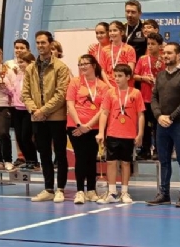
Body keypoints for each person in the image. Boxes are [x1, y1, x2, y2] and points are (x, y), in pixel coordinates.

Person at [21, 31, 71, 203]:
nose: (40, 46)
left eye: (43, 42)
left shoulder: (61, 68)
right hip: (37, 117)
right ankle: (48, 188)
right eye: (38, 43)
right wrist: (34, 110)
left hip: (56, 118)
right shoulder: (30, 68)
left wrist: (44, 110)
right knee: (44, 154)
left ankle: (60, 189)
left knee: (60, 153)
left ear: (51, 44)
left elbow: (61, 94)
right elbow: (25, 93)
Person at [148, 42, 180, 207]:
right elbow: (154, 98)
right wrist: (159, 115)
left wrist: (171, 117)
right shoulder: (160, 76)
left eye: (169, 53)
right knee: (164, 160)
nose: (165, 56)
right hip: (162, 123)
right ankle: (164, 194)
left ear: (179, 55)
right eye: (164, 53)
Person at [96, 65, 145, 204]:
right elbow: (104, 113)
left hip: (129, 135)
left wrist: (140, 133)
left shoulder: (135, 93)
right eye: (115, 76)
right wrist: (101, 132)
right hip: (112, 133)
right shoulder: (110, 93)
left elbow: (140, 114)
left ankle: (124, 192)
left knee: (125, 163)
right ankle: (111, 192)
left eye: (120, 76)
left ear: (128, 77)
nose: (116, 79)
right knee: (111, 162)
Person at [67, 54, 111, 204]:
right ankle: (80, 191)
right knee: (80, 157)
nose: (83, 66)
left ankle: (91, 190)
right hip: (75, 126)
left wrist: (89, 126)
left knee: (92, 158)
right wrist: (80, 124)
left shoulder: (103, 86)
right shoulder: (75, 82)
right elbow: (70, 104)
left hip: (94, 127)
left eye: (86, 63)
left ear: (94, 65)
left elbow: (103, 109)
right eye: (80, 64)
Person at [133, 32, 165, 160]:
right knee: (145, 126)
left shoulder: (163, 60)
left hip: (159, 99)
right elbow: (134, 75)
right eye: (148, 44)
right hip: (144, 98)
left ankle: (158, 150)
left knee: (158, 126)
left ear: (159, 46)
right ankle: (145, 150)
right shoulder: (142, 59)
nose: (150, 47)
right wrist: (143, 78)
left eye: (153, 44)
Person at [10, 50, 39, 170]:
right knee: (19, 137)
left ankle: (34, 161)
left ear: (30, 62)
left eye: (22, 62)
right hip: (17, 109)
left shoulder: (34, 75)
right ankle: (28, 160)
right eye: (18, 62)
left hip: (28, 109)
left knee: (26, 136)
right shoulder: (18, 75)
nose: (20, 64)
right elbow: (14, 91)